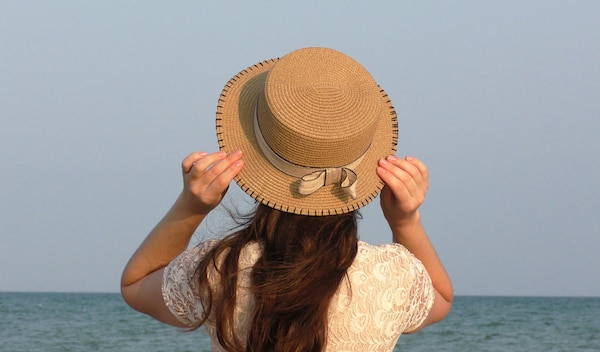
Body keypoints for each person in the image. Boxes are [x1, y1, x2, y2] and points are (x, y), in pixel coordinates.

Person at [121, 47, 453, 352]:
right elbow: (441, 298)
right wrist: (405, 221)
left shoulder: (221, 270)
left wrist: (190, 207)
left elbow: (136, 285)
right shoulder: (392, 277)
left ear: (254, 161)